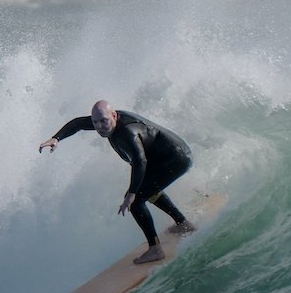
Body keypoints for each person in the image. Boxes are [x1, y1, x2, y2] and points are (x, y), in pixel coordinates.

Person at [38, 100, 195, 264]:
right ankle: (182, 224)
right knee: (146, 191)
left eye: (103, 121)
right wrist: (56, 138)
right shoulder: (106, 122)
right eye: (95, 122)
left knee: (136, 201)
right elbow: (78, 123)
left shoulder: (127, 133)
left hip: (176, 158)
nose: (99, 126)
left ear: (114, 116)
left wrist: (131, 194)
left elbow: (139, 162)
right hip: (164, 157)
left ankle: (155, 249)